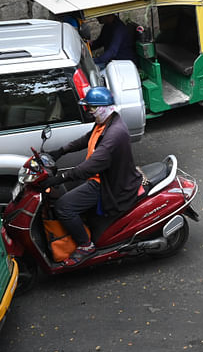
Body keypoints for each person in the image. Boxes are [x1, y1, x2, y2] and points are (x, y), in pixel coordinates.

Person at [41, 87, 140, 266]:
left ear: (103, 108)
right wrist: (60, 151)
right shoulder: (106, 122)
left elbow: (88, 168)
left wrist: (60, 178)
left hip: (106, 184)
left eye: (92, 108)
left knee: (63, 206)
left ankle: (85, 246)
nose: (89, 111)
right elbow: (86, 139)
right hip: (101, 177)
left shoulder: (114, 135)